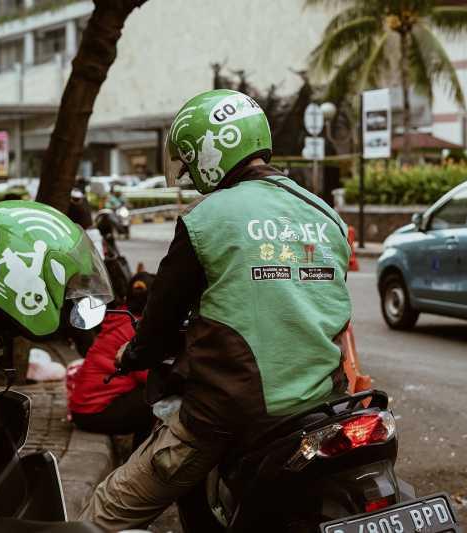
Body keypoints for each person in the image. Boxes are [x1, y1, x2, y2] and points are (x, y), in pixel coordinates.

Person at [79, 89, 352, 530]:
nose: (189, 175)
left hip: (233, 411)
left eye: (190, 162)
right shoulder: (324, 213)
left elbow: (162, 323)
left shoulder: (206, 218)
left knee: (107, 510)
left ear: (210, 152)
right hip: (324, 405)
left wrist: (130, 356)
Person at [68, 271, 157, 450]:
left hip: (82, 409)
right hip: (93, 413)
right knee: (154, 401)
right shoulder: (136, 329)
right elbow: (146, 375)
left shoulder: (121, 316)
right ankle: (139, 462)